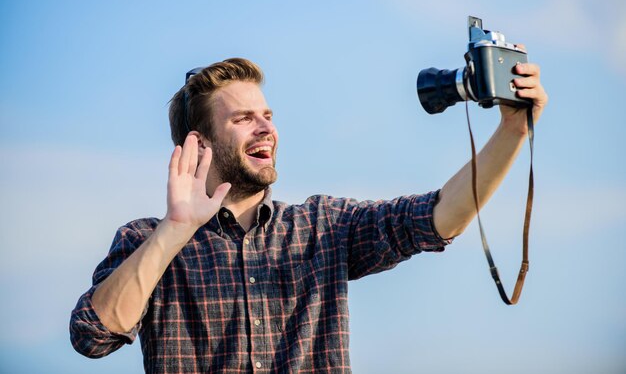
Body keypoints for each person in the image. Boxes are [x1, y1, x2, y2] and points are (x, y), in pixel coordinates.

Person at [70, 57, 547, 373]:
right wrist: (175, 230)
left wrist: (512, 128)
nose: (266, 128)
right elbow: (93, 336)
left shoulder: (322, 226)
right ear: (200, 144)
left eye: (268, 115)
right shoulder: (145, 241)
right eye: (243, 119)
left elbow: (440, 217)